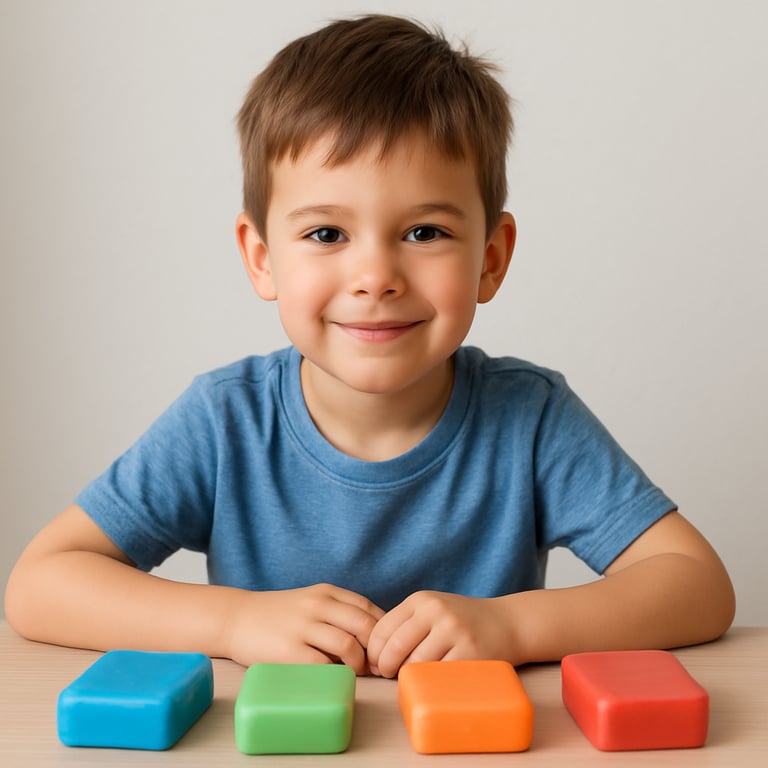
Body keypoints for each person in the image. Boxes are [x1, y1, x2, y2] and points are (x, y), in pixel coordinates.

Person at [4, 14, 735, 678]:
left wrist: (509, 626)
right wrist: (232, 621)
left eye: (425, 232)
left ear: (490, 257)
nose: (376, 278)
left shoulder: (530, 417)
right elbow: (40, 584)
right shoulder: (224, 422)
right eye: (327, 234)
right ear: (262, 258)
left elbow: (697, 585)